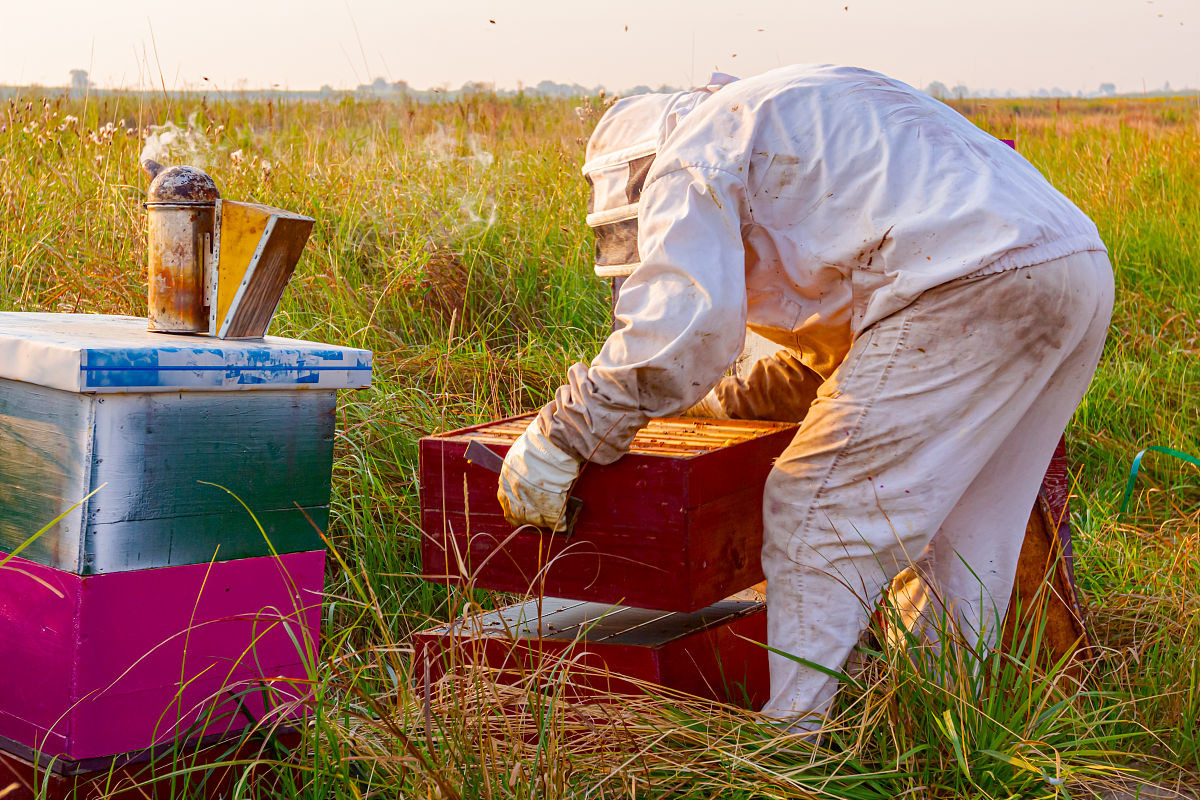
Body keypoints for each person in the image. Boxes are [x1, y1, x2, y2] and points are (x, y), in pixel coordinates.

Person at [496, 64, 1113, 731]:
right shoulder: (785, 126)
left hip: (969, 282)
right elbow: (837, 354)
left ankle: (790, 746)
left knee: (815, 511)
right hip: (1073, 265)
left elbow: (682, 328)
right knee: (965, 536)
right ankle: (938, 734)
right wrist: (716, 404)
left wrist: (567, 432)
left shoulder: (693, 154)